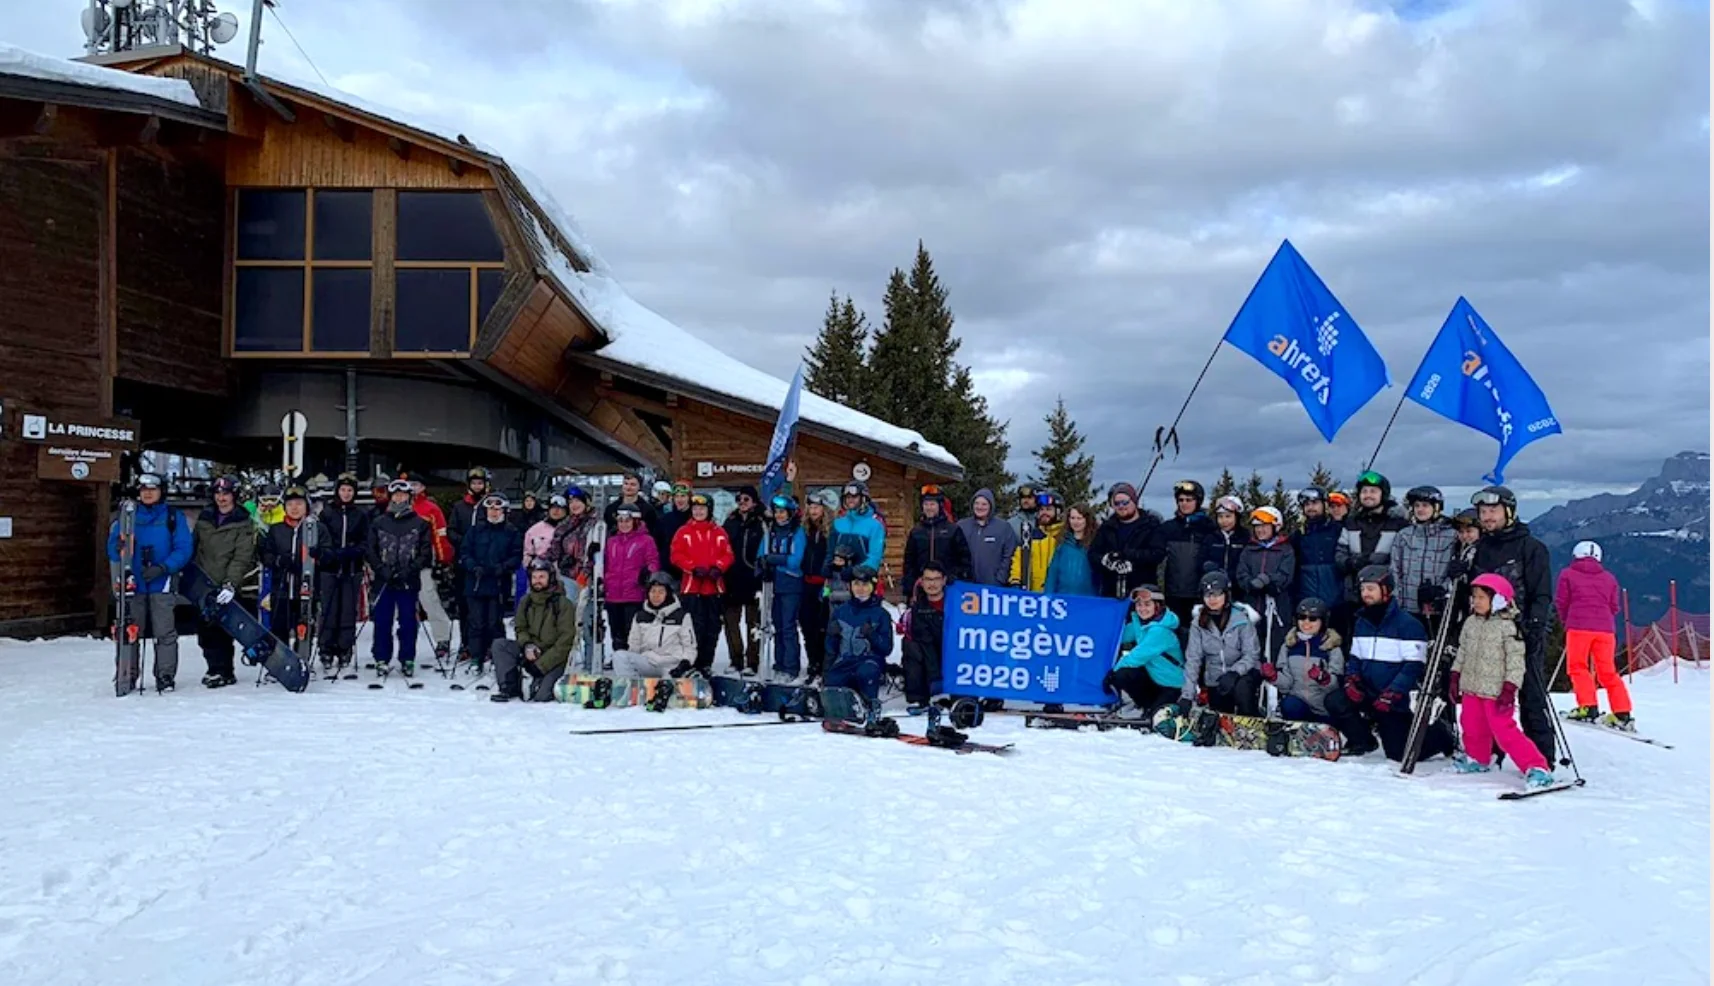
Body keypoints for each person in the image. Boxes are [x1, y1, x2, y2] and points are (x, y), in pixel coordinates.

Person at [1329, 565, 1454, 761]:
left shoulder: (1408, 624)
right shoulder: (1361, 621)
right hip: (1369, 691)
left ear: (1386, 590)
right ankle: (1363, 740)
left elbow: (1414, 666)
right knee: (1335, 700)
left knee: (1397, 753)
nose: (1365, 594)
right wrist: (1351, 680)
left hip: (1396, 698)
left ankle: (1440, 736)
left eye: (1371, 589)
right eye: (1362, 589)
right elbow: (1354, 658)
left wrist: (1393, 693)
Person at [1469, 484, 1556, 764]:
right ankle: (1493, 752)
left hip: (1521, 633)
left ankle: (1542, 758)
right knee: (1489, 696)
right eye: (1483, 511)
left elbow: (1542, 593)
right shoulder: (1478, 548)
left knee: (1531, 695)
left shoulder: (1531, 548)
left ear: (1509, 512)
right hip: (1486, 633)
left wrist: (1534, 625)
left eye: (1493, 510)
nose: (1487, 516)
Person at [1449, 574, 1557, 790]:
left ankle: (1536, 766)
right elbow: (1462, 651)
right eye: (1474, 597)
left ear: (1498, 600)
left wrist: (1510, 686)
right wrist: (1455, 675)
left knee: (1504, 730)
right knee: (1471, 725)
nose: (1476, 601)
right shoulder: (1471, 623)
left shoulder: (1507, 627)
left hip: (1496, 691)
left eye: (1481, 597)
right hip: (1471, 686)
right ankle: (1478, 758)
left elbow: (1516, 661)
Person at [107, 473, 193, 693]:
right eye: (144, 489)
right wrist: (117, 547)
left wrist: (164, 567)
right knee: (130, 630)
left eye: (152, 489)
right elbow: (113, 549)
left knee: (164, 632)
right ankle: (127, 674)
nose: (147, 493)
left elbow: (183, 548)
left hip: (161, 581)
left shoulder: (173, 517)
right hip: (133, 582)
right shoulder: (127, 516)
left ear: (161, 491)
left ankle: (165, 675)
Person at [1556, 540, 1631, 728]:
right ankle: (1622, 712)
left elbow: (1561, 602)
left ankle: (1588, 707)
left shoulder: (1567, 574)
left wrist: (1567, 621)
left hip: (1578, 627)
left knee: (1578, 667)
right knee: (1607, 672)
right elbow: (1614, 606)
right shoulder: (1609, 578)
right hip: (1606, 630)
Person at [192, 475, 257, 688]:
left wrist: (230, 583)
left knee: (222, 629)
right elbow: (194, 547)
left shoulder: (243, 521)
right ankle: (213, 668)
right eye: (218, 494)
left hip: (226, 583)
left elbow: (242, 557)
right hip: (205, 583)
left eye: (226, 494)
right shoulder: (205, 519)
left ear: (234, 496)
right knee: (205, 630)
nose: (222, 498)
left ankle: (223, 670)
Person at [366, 479, 433, 678]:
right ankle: (381, 658)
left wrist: (410, 570)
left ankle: (407, 658)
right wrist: (380, 569)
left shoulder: (420, 523)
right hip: (384, 579)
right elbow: (370, 549)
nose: (399, 498)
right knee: (382, 620)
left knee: (408, 621)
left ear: (409, 497)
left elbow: (425, 552)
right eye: (396, 495)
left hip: (408, 579)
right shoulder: (379, 522)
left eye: (403, 495)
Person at [1177, 571, 1262, 717]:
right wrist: (1187, 696)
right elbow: (1193, 659)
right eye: (1207, 594)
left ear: (1226, 595)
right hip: (1216, 679)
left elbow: (1252, 654)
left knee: (1242, 690)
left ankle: (1250, 720)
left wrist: (1234, 672)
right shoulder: (1198, 624)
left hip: (1243, 673)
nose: (1212, 599)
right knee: (1220, 714)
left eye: (1217, 594)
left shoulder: (1241, 619)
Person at [490, 559, 575, 703]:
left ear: (551, 578)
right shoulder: (526, 601)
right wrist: (527, 645)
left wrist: (542, 665)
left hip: (553, 656)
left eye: (542, 577)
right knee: (500, 645)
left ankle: (539, 681)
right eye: (534, 577)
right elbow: (520, 627)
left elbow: (566, 641)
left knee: (541, 697)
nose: (537, 581)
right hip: (531, 651)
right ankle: (509, 687)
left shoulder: (563, 604)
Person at [671, 492, 734, 675]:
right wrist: (692, 567)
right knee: (693, 628)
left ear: (709, 510)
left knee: (712, 627)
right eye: (695, 508)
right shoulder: (684, 532)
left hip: (713, 587)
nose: (698, 512)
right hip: (692, 586)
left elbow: (728, 554)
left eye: (702, 508)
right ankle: (692, 662)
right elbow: (676, 555)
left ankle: (706, 663)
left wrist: (719, 567)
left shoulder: (719, 532)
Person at [457, 494, 522, 674]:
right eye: (490, 508)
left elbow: (517, 555)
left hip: (498, 583)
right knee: (476, 622)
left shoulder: (511, 531)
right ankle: (476, 657)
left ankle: (497, 657)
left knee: (495, 623)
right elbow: (464, 552)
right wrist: (472, 566)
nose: (494, 512)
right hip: (476, 583)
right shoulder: (475, 530)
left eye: (497, 508)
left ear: (504, 510)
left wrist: (503, 567)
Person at [1335, 471, 1404, 639]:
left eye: (1373, 491)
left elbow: (1401, 558)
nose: (1368, 495)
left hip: (1384, 593)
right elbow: (1340, 553)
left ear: (1383, 494)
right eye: (1364, 491)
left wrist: (1377, 567)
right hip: (1354, 592)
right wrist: (1351, 563)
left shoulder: (1397, 523)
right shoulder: (1351, 522)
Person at [257, 485, 327, 648]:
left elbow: (328, 556)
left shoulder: (316, 529)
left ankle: (302, 662)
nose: (294, 508)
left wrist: (320, 555)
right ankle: (280, 664)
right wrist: (279, 561)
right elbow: (266, 555)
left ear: (306, 506)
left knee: (304, 629)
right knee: (279, 629)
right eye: (290, 504)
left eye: (299, 504)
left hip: (305, 590)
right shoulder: (276, 530)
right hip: (281, 589)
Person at [315, 473, 370, 674]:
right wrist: (330, 553)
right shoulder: (328, 513)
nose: (346, 494)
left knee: (347, 610)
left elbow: (366, 540)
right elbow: (320, 538)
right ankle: (326, 648)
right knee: (329, 609)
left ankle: (345, 648)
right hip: (330, 568)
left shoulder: (360, 514)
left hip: (351, 568)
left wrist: (355, 552)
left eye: (350, 490)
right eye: (343, 490)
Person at [1265, 597, 1347, 728]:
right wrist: (1274, 676)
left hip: (1324, 708)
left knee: (1336, 703)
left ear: (1323, 621)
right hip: (1299, 706)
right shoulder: (1289, 646)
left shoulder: (1331, 647)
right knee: (1289, 704)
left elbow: (1337, 684)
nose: (1306, 622)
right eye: (1302, 617)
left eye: (1313, 619)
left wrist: (1323, 678)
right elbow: (1286, 684)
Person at [402, 473, 455, 660]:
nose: (413, 488)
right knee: (403, 603)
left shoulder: (430, 509)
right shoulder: (400, 506)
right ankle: (404, 641)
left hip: (423, 561)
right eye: (410, 484)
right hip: (401, 563)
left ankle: (442, 638)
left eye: (416, 484)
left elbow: (440, 535)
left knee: (428, 598)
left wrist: (443, 559)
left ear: (423, 487)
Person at [1107, 585, 1183, 714]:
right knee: (1124, 675)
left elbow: (1137, 656)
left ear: (1157, 606)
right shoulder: (1140, 623)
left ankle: (1158, 706)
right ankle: (1145, 705)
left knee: (1156, 719)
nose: (1142, 609)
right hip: (1153, 679)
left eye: (1147, 604)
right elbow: (1119, 636)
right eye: (1139, 605)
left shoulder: (1160, 631)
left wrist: (1112, 674)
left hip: (1172, 686)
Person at [825, 565, 893, 706]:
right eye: (856, 584)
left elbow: (886, 648)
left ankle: (869, 704)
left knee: (866, 673)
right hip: (844, 660)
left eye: (865, 584)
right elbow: (830, 648)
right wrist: (832, 635)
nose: (860, 589)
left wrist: (871, 635)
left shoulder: (881, 614)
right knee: (832, 682)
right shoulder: (840, 612)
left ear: (872, 587)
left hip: (869, 661)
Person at [1153, 480, 1218, 627]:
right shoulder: (1168, 528)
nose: (1184, 503)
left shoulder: (1209, 528)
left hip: (1200, 594)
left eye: (1189, 500)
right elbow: (1154, 554)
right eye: (1181, 500)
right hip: (1173, 593)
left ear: (1198, 501)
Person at [1392, 486, 1457, 628]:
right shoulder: (1404, 535)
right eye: (1417, 505)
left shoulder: (1451, 535)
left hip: (1438, 606)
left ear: (1437, 507)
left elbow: (1455, 570)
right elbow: (1396, 570)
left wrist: (1443, 591)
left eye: (1425, 505)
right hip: (1408, 606)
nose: (1420, 509)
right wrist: (1397, 602)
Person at [760, 494, 808, 682]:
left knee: (788, 626)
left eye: (783, 512)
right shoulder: (770, 531)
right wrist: (761, 563)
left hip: (791, 584)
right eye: (777, 512)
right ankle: (779, 663)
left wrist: (774, 560)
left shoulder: (796, 532)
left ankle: (790, 666)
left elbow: (795, 561)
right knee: (777, 625)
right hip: (773, 584)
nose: (779, 515)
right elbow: (762, 552)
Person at [721, 486, 767, 676]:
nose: (742, 503)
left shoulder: (762, 522)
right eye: (739, 499)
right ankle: (736, 659)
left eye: (746, 499)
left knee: (753, 622)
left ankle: (753, 661)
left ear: (754, 502)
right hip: (732, 577)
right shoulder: (730, 521)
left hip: (753, 578)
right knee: (731, 622)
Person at [602, 503, 660, 651]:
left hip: (634, 594)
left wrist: (648, 573)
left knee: (632, 630)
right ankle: (618, 657)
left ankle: (633, 658)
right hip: (613, 594)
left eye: (627, 521)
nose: (623, 524)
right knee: (616, 631)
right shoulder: (611, 541)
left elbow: (653, 561)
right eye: (620, 521)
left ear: (635, 521)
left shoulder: (646, 540)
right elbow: (604, 563)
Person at [1236, 506, 1295, 652]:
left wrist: (1268, 580)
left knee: (1276, 643)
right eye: (1256, 527)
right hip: (1253, 605)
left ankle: (1275, 671)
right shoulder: (1249, 550)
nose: (1260, 530)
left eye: (1264, 526)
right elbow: (1241, 573)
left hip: (1278, 607)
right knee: (1252, 643)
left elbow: (1286, 575)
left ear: (1275, 527)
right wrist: (1250, 584)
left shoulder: (1285, 550)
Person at [1090, 482, 1161, 599]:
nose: (1121, 506)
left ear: (1134, 501)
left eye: (1125, 502)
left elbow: (1157, 554)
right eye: (1117, 503)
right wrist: (1106, 561)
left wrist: (1131, 559)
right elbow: (1093, 554)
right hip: (1111, 592)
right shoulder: (1107, 527)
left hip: (1142, 594)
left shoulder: (1150, 526)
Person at [621, 571, 698, 678]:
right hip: (649, 662)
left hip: (672, 665)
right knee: (620, 656)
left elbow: (689, 646)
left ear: (668, 594)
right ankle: (633, 687)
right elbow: (634, 645)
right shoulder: (640, 616)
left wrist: (685, 663)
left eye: (661, 592)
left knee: (668, 687)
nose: (656, 596)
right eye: (653, 591)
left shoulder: (681, 616)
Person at [900, 559, 949, 712]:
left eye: (936, 579)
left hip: (953, 654)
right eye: (928, 579)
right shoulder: (918, 609)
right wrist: (936, 682)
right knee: (911, 647)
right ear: (921, 581)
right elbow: (926, 644)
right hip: (930, 656)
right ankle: (918, 697)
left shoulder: (958, 603)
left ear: (944, 580)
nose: (932, 584)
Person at [902, 485, 969, 596]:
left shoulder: (953, 530)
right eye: (926, 504)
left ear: (939, 506)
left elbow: (964, 559)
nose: (929, 508)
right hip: (922, 586)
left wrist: (955, 576)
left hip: (948, 586)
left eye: (932, 504)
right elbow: (909, 561)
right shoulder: (916, 531)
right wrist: (909, 584)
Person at [1291, 488, 1342, 624]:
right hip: (1307, 602)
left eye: (1314, 503)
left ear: (1324, 505)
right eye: (1306, 504)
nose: (1310, 507)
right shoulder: (1298, 535)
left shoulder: (1338, 530)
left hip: (1336, 601)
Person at [799, 490, 835, 682]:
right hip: (806, 582)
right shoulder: (804, 529)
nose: (814, 511)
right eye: (811, 507)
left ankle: (824, 663)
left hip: (824, 583)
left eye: (817, 507)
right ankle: (813, 661)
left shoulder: (831, 530)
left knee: (823, 626)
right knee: (807, 624)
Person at [955, 488, 1018, 587]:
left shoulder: (1003, 527)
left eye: (984, 504)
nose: (980, 507)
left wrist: (1000, 579)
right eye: (977, 503)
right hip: (966, 585)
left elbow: (1009, 555)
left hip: (994, 586)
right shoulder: (962, 526)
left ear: (990, 506)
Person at [547, 486, 601, 599]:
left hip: (587, 577)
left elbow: (597, 554)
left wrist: (585, 574)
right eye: (571, 502)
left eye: (577, 501)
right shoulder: (564, 525)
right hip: (565, 575)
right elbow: (554, 550)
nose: (574, 505)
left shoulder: (596, 525)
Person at [1009, 491, 1063, 592]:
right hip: (1034, 594)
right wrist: (1015, 581)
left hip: (1059, 594)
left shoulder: (1064, 537)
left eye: (1048, 509)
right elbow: (1018, 559)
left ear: (1058, 512)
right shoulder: (1031, 536)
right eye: (1041, 509)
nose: (1044, 513)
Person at [832, 480, 886, 573]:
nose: (850, 500)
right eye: (847, 497)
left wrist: (859, 572)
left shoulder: (875, 525)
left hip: (862, 578)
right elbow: (830, 550)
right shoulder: (838, 522)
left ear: (863, 498)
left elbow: (875, 555)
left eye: (854, 497)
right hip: (839, 576)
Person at [1043, 503, 1097, 596]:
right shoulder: (1062, 543)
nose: (1075, 522)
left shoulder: (1095, 543)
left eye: (1079, 518)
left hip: (1089, 599)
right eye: (1072, 518)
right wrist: (1048, 594)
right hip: (1063, 597)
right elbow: (1053, 572)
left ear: (1087, 520)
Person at [521, 494, 565, 605]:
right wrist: (531, 569)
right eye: (553, 508)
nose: (556, 511)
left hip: (564, 575)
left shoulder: (570, 529)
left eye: (560, 509)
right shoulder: (535, 529)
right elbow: (527, 552)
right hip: (540, 575)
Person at [1200, 495, 1248, 587]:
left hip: (1239, 588)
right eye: (1220, 517)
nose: (1224, 521)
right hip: (1216, 588)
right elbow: (1201, 560)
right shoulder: (1211, 538)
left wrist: (1233, 575)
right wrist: (1209, 567)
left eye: (1228, 516)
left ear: (1236, 517)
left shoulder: (1244, 537)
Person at [447, 466, 490, 555]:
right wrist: (464, 541)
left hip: (486, 552)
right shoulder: (459, 507)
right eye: (473, 483)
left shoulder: (490, 505)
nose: (476, 486)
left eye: (480, 483)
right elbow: (451, 530)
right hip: (463, 551)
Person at [655, 482, 694, 576]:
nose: (679, 500)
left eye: (683, 496)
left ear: (689, 498)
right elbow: (658, 544)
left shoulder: (695, 519)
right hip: (669, 570)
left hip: (691, 570)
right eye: (676, 496)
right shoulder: (665, 519)